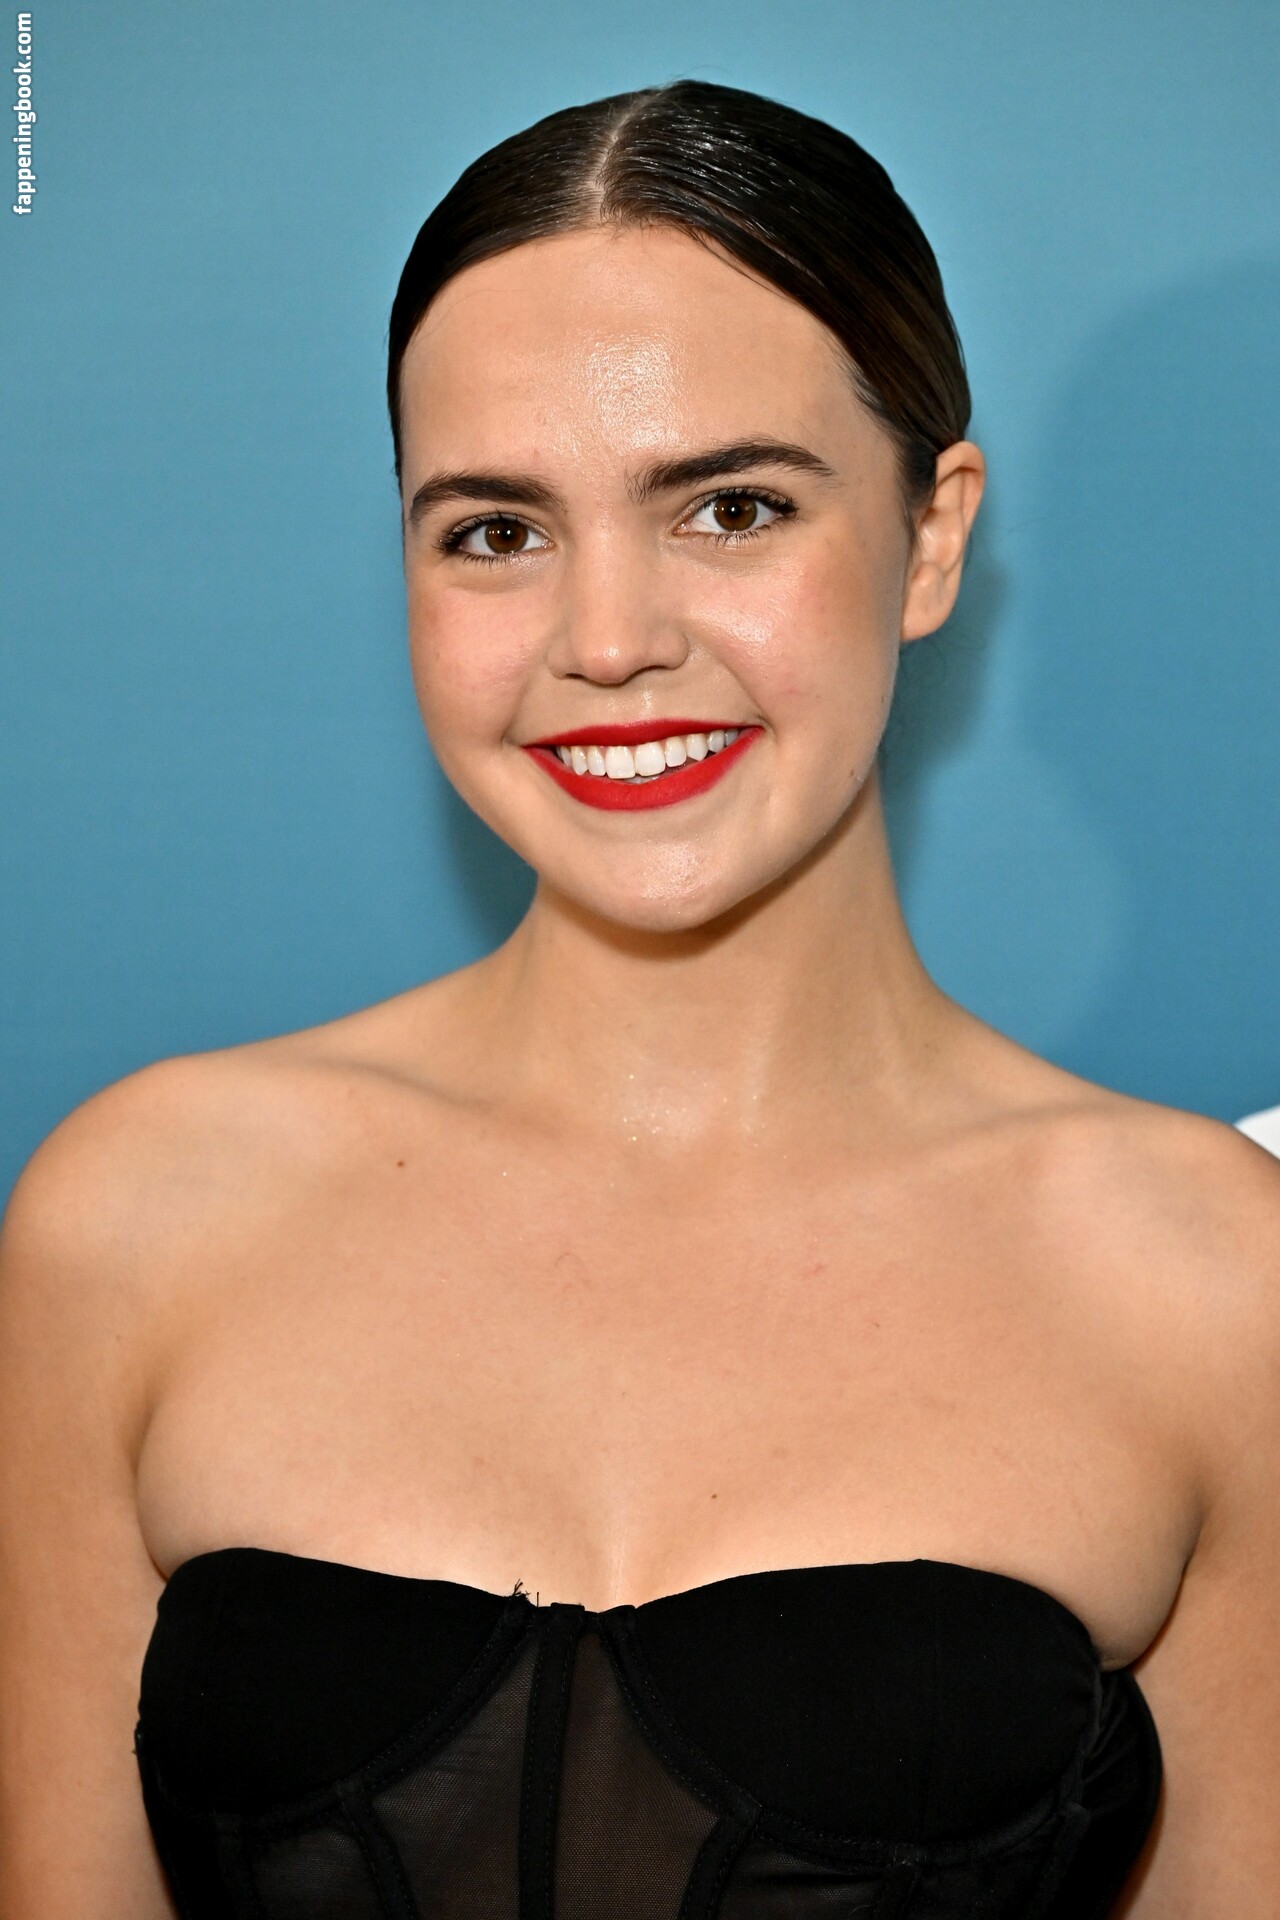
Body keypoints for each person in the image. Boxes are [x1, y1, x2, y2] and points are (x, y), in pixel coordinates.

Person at [1, 79, 1278, 1920]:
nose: (607, 641)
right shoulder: (138, 1219)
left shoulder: (1213, 1284)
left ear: (931, 538)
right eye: (495, 531)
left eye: (731, 507)